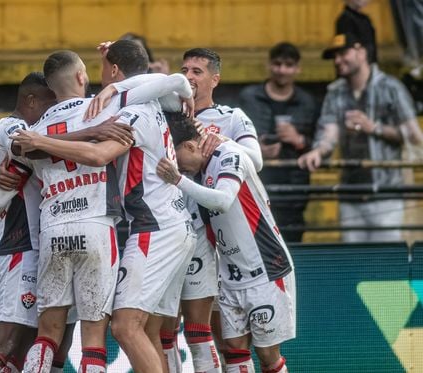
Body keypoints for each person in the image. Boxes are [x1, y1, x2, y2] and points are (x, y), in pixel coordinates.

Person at [11, 40, 197, 373]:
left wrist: (26, 149)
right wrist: (96, 122)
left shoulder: (37, 128)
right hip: (105, 225)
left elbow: (21, 155)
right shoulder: (104, 111)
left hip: (62, 227)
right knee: (110, 334)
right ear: (81, 76)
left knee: (52, 333)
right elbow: (171, 83)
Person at [157, 113, 296, 373]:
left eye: (179, 159)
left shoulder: (228, 155)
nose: (180, 166)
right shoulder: (198, 170)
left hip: (266, 266)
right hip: (230, 273)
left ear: (189, 146)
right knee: (232, 347)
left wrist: (178, 179)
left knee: (267, 354)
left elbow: (222, 200)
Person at [157, 47, 263, 373]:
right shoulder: (167, 113)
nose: (188, 76)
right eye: (185, 69)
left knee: (212, 329)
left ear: (215, 79)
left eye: (197, 71)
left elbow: (255, 161)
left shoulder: (231, 118)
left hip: (211, 236)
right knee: (164, 329)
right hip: (166, 229)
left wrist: (221, 141)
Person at [0, 72, 73, 373]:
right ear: (31, 99)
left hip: (40, 244)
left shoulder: (35, 128)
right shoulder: (12, 126)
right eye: (50, 103)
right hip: (18, 242)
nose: (54, 110)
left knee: (26, 348)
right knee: (5, 341)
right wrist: (87, 136)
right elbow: (27, 149)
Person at [298, 32, 423, 242]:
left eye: (343, 53)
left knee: (387, 266)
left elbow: (413, 136)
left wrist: (373, 127)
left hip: (387, 194)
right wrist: (318, 152)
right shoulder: (335, 91)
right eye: (335, 56)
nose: (338, 61)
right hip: (350, 194)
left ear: (362, 52)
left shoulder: (390, 87)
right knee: (355, 264)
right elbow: (328, 133)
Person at [239, 42, 319, 243]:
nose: (282, 70)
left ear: (298, 68)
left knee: (293, 248)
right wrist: (258, 150)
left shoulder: (308, 102)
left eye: (289, 65)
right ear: (269, 65)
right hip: (256, 186)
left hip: (294, 193)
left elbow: (320, 144)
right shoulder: (249, 98)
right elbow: (231, 138)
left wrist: (299, 140)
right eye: (277, 64)